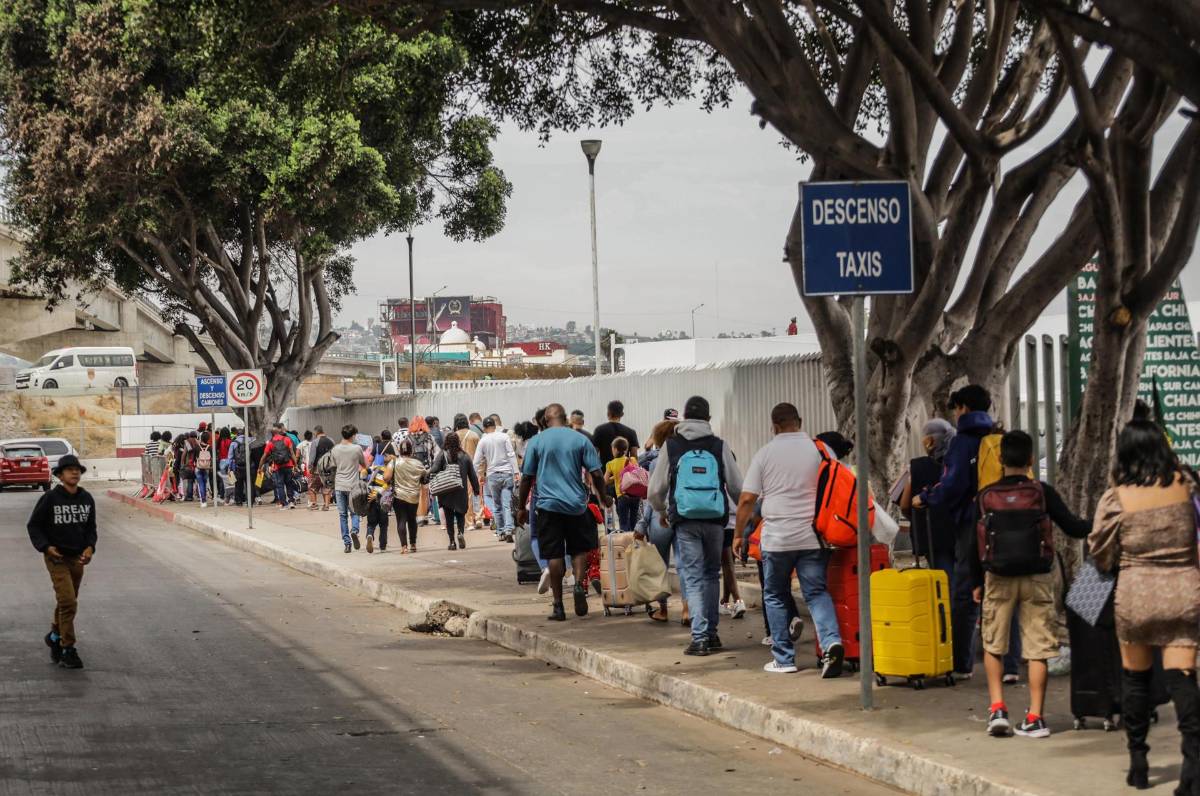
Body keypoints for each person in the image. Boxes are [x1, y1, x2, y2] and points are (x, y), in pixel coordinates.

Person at [1090, 417, 1200, 789]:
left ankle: (1138, 764)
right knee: (1182, 678)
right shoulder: (1187, 485)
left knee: (1135, 680)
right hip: (1184, 592)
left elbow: (1100, 554)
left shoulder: (1116, 497)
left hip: (1136, 596)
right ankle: (1193, 770)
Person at [968, 431, 1090, 740]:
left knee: (993, 644)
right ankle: (1035, 717)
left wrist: (975, 581)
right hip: (1037, 576)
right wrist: (1102, 520)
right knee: (1038, 648)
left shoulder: (984, 496)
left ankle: (997, 709)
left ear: (999, 459)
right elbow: (1074, 528)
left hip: (997, 577)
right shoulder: (1042, 492)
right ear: (1031, 460)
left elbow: (973, 544)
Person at [733, 402, 840, 675]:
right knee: (816, 593)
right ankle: (831, 644)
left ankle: (784, 659)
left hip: (778, 539)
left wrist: (738, 534)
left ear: (775, 426)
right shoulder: (821, 450)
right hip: (812, 536)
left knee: (776, 595)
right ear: (800, 421)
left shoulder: (765, 454)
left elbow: (747, 499)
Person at [912, 384, 996, 680]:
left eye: (957, 408)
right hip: (1002, 523)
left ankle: (962, 663)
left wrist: (927, 498)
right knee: (1002, 589)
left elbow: (953, 484)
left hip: (971, 525)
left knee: (965, 592)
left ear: (964, 408)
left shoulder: (962, 443)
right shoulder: (997, 436)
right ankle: (1010, 665)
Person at [648, 395, 742, 656]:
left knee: (693, 576)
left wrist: (662, 511)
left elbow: (655, 489)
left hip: (685, 520)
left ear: (685, 418)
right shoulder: (719, 445)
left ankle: (699, 638)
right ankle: (711, 634)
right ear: (708, 419)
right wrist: (745, 519)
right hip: (715, 520)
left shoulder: (672, 445)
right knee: (712, 575)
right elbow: (736, 486)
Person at [516, 403, 609, 621]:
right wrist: (604, 497)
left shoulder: (537, 441)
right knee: (578, 550)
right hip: (576, 505)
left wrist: (521, 508)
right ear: (565, 418)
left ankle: (558, 606)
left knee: (554, 555)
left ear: (546, 420)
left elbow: (527, 477)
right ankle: (578, 585)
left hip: (548, 507)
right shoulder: (579, 439)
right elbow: (595, 472)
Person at [26, 454, 95, 670]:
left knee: (67, 601)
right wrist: (46, 547)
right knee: (68, 602)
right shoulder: (50, 498)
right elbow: (34, 525)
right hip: (57, 558)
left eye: (77, 469)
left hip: (77, 559)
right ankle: (68, 649)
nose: (74, 472)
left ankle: (55, 636)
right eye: (69, 469)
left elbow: (91, 529)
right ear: (59, 475)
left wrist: (90, 548)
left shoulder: (86, 498)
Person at [635, 419, 687, 623]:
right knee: (684, 565)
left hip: (660, 516)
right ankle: (686, 609)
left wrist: (641, 524)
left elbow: (653, 494)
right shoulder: (687, 457)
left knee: (660, 566)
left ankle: (663, 610)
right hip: (682, 515)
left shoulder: (658, 459)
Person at [430, 432, 481, 550]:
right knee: (460, 515)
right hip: (460, 490)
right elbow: (472, 475)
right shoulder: (465, 456)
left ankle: (452, 542)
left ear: (446, 442)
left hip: (446, 491)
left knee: (449, 518)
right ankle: (460, 533)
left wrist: (426, 475)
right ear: (458, 442)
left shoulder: (442, 455)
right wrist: (476, 489)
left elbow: (435, 469)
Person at [474, 415, 519, 542]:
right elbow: (511, 454)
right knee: (507, 504)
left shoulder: (483, 440)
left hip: (492, 475)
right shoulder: (504, 437)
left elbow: (477, 460)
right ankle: (509, 529)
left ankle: (500, 532)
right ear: (494, 426)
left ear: (484, 428)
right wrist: (516, 471)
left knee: (497, 505)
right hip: (507, 474)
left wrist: (475, 475)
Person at [331, 424, 367, 553]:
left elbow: (333, 467)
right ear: (352, 435)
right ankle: (355, 530)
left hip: (339, 485)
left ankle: (347, 543)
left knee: (342, 515)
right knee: (355, 511)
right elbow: (364, 465)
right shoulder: (357, 448)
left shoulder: (335, 449)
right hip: (353, 486)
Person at [390, 439, 428, 553]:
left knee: (401, 520)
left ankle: (404, 547)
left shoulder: (395, 462)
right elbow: (424, 478)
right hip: (413, 497)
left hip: (399, 496)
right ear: (411, 451)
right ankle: (413, 544)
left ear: (400, 451)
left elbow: (386, 477)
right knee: (412, 520)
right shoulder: (418, 464)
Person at [408, 417, 440, 526]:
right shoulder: (429, 437)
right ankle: (424, 516)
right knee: (425, 493)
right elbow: (437, 453)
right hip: (426, 468)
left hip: (412, 469)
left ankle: (419, 516)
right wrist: (434, 466)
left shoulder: (408, 438)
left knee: (415, 493)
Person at [453, 414, 483, 529]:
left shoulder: (454, 436)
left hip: (459, 470)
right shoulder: (474, 435)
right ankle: (479, 516)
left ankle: (469, 522)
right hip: (474, 469)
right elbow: (480, 454)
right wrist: (481, 470)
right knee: (477, 492)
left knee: (465, 495)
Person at [603, 437, 640, 531]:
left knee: (623, 522)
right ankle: (635, 542)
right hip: (635, 494)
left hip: (622, 495)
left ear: (615, 449)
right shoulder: (632, 460)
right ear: (626, 449)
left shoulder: (610, 464)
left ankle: (626, 543)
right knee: (634, 520)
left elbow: (605, 481)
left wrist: (615, 477)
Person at [259, 422, 298, 510]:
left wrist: (259, 467)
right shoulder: (287, 439)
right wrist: (295, 465)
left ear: (272, 434)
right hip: (288, 465)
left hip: (277, 467)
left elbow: (264, 457)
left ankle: (284, 504)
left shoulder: (270, 443)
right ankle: (291, 501)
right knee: (289, 483)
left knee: (280, 485)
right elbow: (292, 453)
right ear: (279, 432)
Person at [364, 447, 394, 553]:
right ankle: (382, 545)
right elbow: (387, 486)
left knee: (371, 523)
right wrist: (377, 495)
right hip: (382, 501)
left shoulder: (377, 468)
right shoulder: (390, 473)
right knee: (383, 524)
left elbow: (364, 471)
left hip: (371, 499)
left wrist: (364, 478)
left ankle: (370, 535)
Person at [592, 400, 639, 465]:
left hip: (605, 472)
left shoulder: (599, 430)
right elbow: (634, 456)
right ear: (622, 414)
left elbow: (593, 454)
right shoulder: (631, 432)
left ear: (608, 413)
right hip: (624, 473)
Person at [307, 425, 335, 510]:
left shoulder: (315, 442)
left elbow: (312, 457)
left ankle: (314, 504)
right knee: (326, 486)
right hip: (329, 468)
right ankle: (326, 505)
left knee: (312, 486)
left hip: (317, 469)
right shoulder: (332, 441)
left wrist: (310, 467)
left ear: (316, 432)